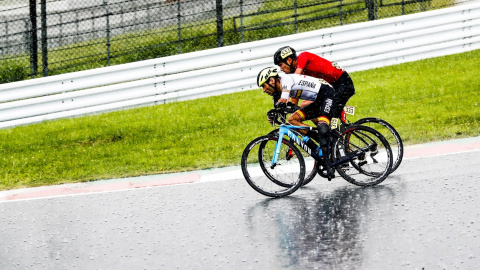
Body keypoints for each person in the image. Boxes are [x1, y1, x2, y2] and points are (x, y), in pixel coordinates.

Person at [257, 66, 338, 177]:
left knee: (322, 126)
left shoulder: (286, 79)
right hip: (318, 100)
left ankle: (329, 166)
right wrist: (274, 115)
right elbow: (280, 106)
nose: (264, 90)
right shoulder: (277, 91)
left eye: (264, 86)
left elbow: (284, 99)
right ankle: (320, 139)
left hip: (328, 94)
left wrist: (280, 107)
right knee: (293, 119)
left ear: (271, 80)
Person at [273, 46, 355, 121]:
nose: (281, 69)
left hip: (344, 82)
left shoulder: (302, 57)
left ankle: (341, 131)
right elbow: (295, 99)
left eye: (281, 65)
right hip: (334, 85)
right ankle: (326, 131)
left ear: (289, 60)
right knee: (306, 106)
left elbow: (295, 78)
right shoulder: (297, 71)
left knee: (331, 108)